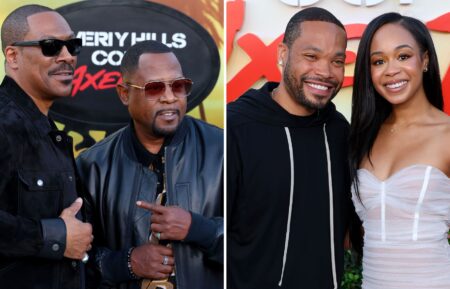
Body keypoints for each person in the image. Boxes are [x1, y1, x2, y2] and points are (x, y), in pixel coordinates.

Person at [76, 40, 223, 289]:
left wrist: (200, 229)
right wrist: (126, 263)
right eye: (154, 88)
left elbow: (259, 240)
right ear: (124, 93)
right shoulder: (93, 167)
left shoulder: (223, 151)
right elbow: (74, 258)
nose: (169, 98)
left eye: (178, 86)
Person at [227, 7, 354, 289]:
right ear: (283, 55)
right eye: (311, 56)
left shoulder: (339, 131)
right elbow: (212, 230)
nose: (325, 72)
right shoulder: (235, 127)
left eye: (337, 61)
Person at [349, 12, 450, 289]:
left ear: (425, 60)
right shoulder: (362, 136)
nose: (391, 70)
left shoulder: (447, 135)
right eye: (378, 61)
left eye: (403, 56)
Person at [0, 4, 93, 289]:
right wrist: (55, 237)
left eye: (72, 46)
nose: (66, 56)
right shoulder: (4, 123)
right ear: (13, 56)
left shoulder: (45, 129)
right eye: (51, 46)